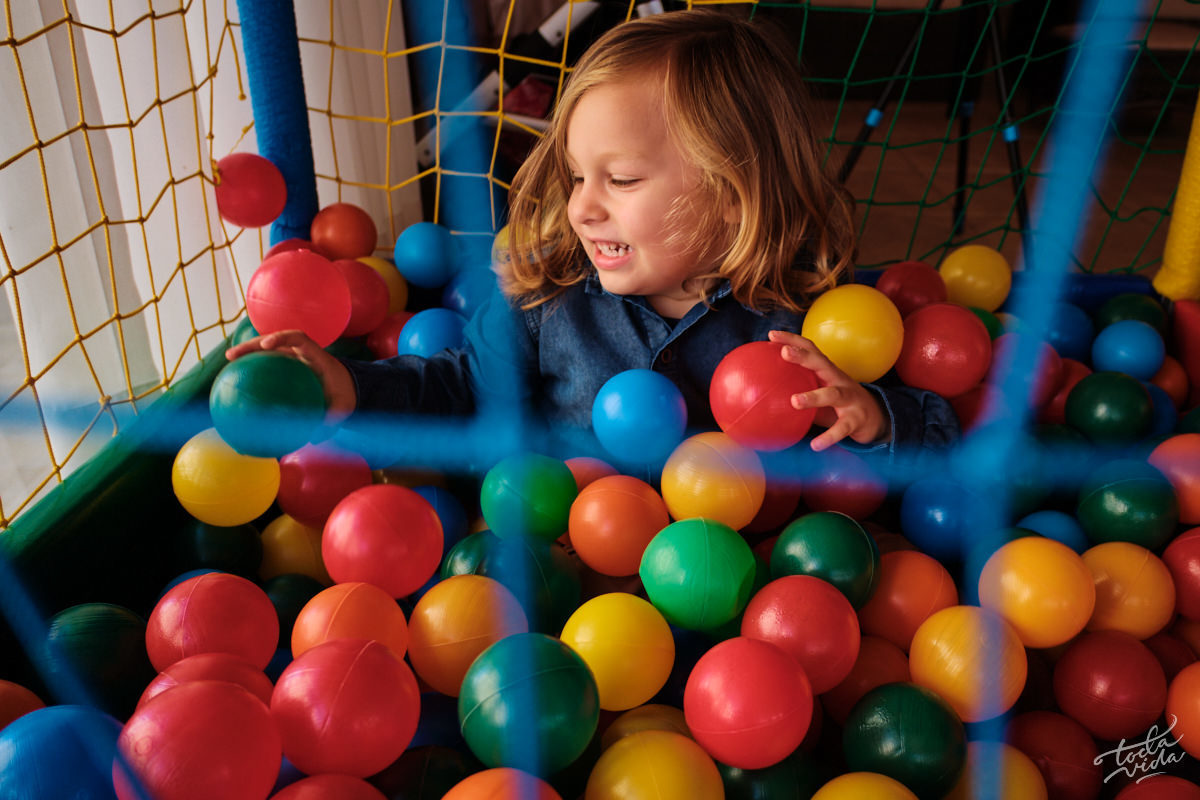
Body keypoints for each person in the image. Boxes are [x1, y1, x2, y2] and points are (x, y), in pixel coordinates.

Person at [227, 9, 958, 472]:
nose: (582, 209)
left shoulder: (803, 314)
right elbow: (459, 391)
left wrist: (869, 416)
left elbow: (934, 427)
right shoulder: (545, 299)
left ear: (732, 201)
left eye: (623, 181)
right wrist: (349, 385)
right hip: (568, 580)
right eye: (578, 176)